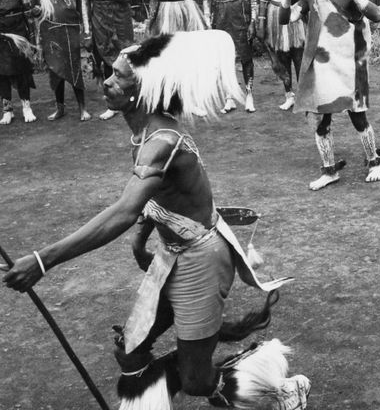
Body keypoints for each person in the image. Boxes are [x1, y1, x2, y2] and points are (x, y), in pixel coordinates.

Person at [2, 29, 310, 410]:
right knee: (130, 352)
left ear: (142, 91)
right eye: (110, 73)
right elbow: (155, 203)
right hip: (171, 256)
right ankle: (184, 368)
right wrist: (140, 243)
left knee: (197, 381)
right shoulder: (145, 134)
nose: (108, 82)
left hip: (200, 262)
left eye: (118, 77)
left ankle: (281, 385)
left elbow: (125, 210)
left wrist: (42, 259)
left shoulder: (161, 141)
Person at [279, 0, 380, 190]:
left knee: (357, 116)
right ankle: (329, 170)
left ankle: (374, 161)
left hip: (349, 64)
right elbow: (286, 19)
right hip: (321, 66)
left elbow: (376, 15)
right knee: (320, 119)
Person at [30, 0, 91, 122]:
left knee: (74, 68)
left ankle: (82, 108)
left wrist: (84, 29)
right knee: (55, 70)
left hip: (69, 29)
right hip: (49, 32)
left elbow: (80, 4)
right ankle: (60, 108)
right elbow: (33, 7)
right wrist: (35, 10)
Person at [81, 0, 134, 120]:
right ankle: (112, 103)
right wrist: (87, 30)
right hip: (99, 17)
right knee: (104, 59)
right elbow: (85, 0)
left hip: (121, 15)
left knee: (126, 55)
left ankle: (131, 97)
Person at [203, 0, 258, 114]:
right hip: (221, 17)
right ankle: (229, 96)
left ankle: (249, 94)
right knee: (224, 59)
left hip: (240, 15)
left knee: (245, 57)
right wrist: (207, 21)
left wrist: (253, 21)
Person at [0, 0, 37, 125]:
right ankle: (7, 109)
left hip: (19, 33)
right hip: (0, 35)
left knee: (22, 70)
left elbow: (28, 10)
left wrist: (31, 35)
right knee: (2, 73)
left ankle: (26, 106)